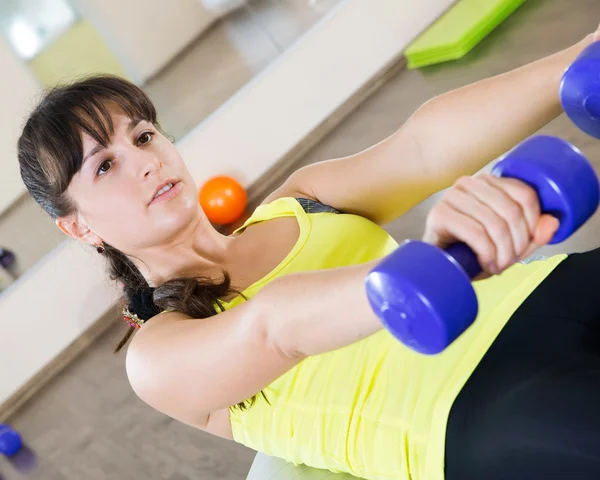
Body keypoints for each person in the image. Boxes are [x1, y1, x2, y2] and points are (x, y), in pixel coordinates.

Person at [16, 24, 600, 480]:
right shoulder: (158, 355)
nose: (145, 160)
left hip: (544, 294)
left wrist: (575, 59)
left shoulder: (302, 199)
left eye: (144, 136)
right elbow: (273, 328)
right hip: (473, 408)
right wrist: (425, 267)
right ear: (78, 227)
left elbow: (422, 150)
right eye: (106, 165)